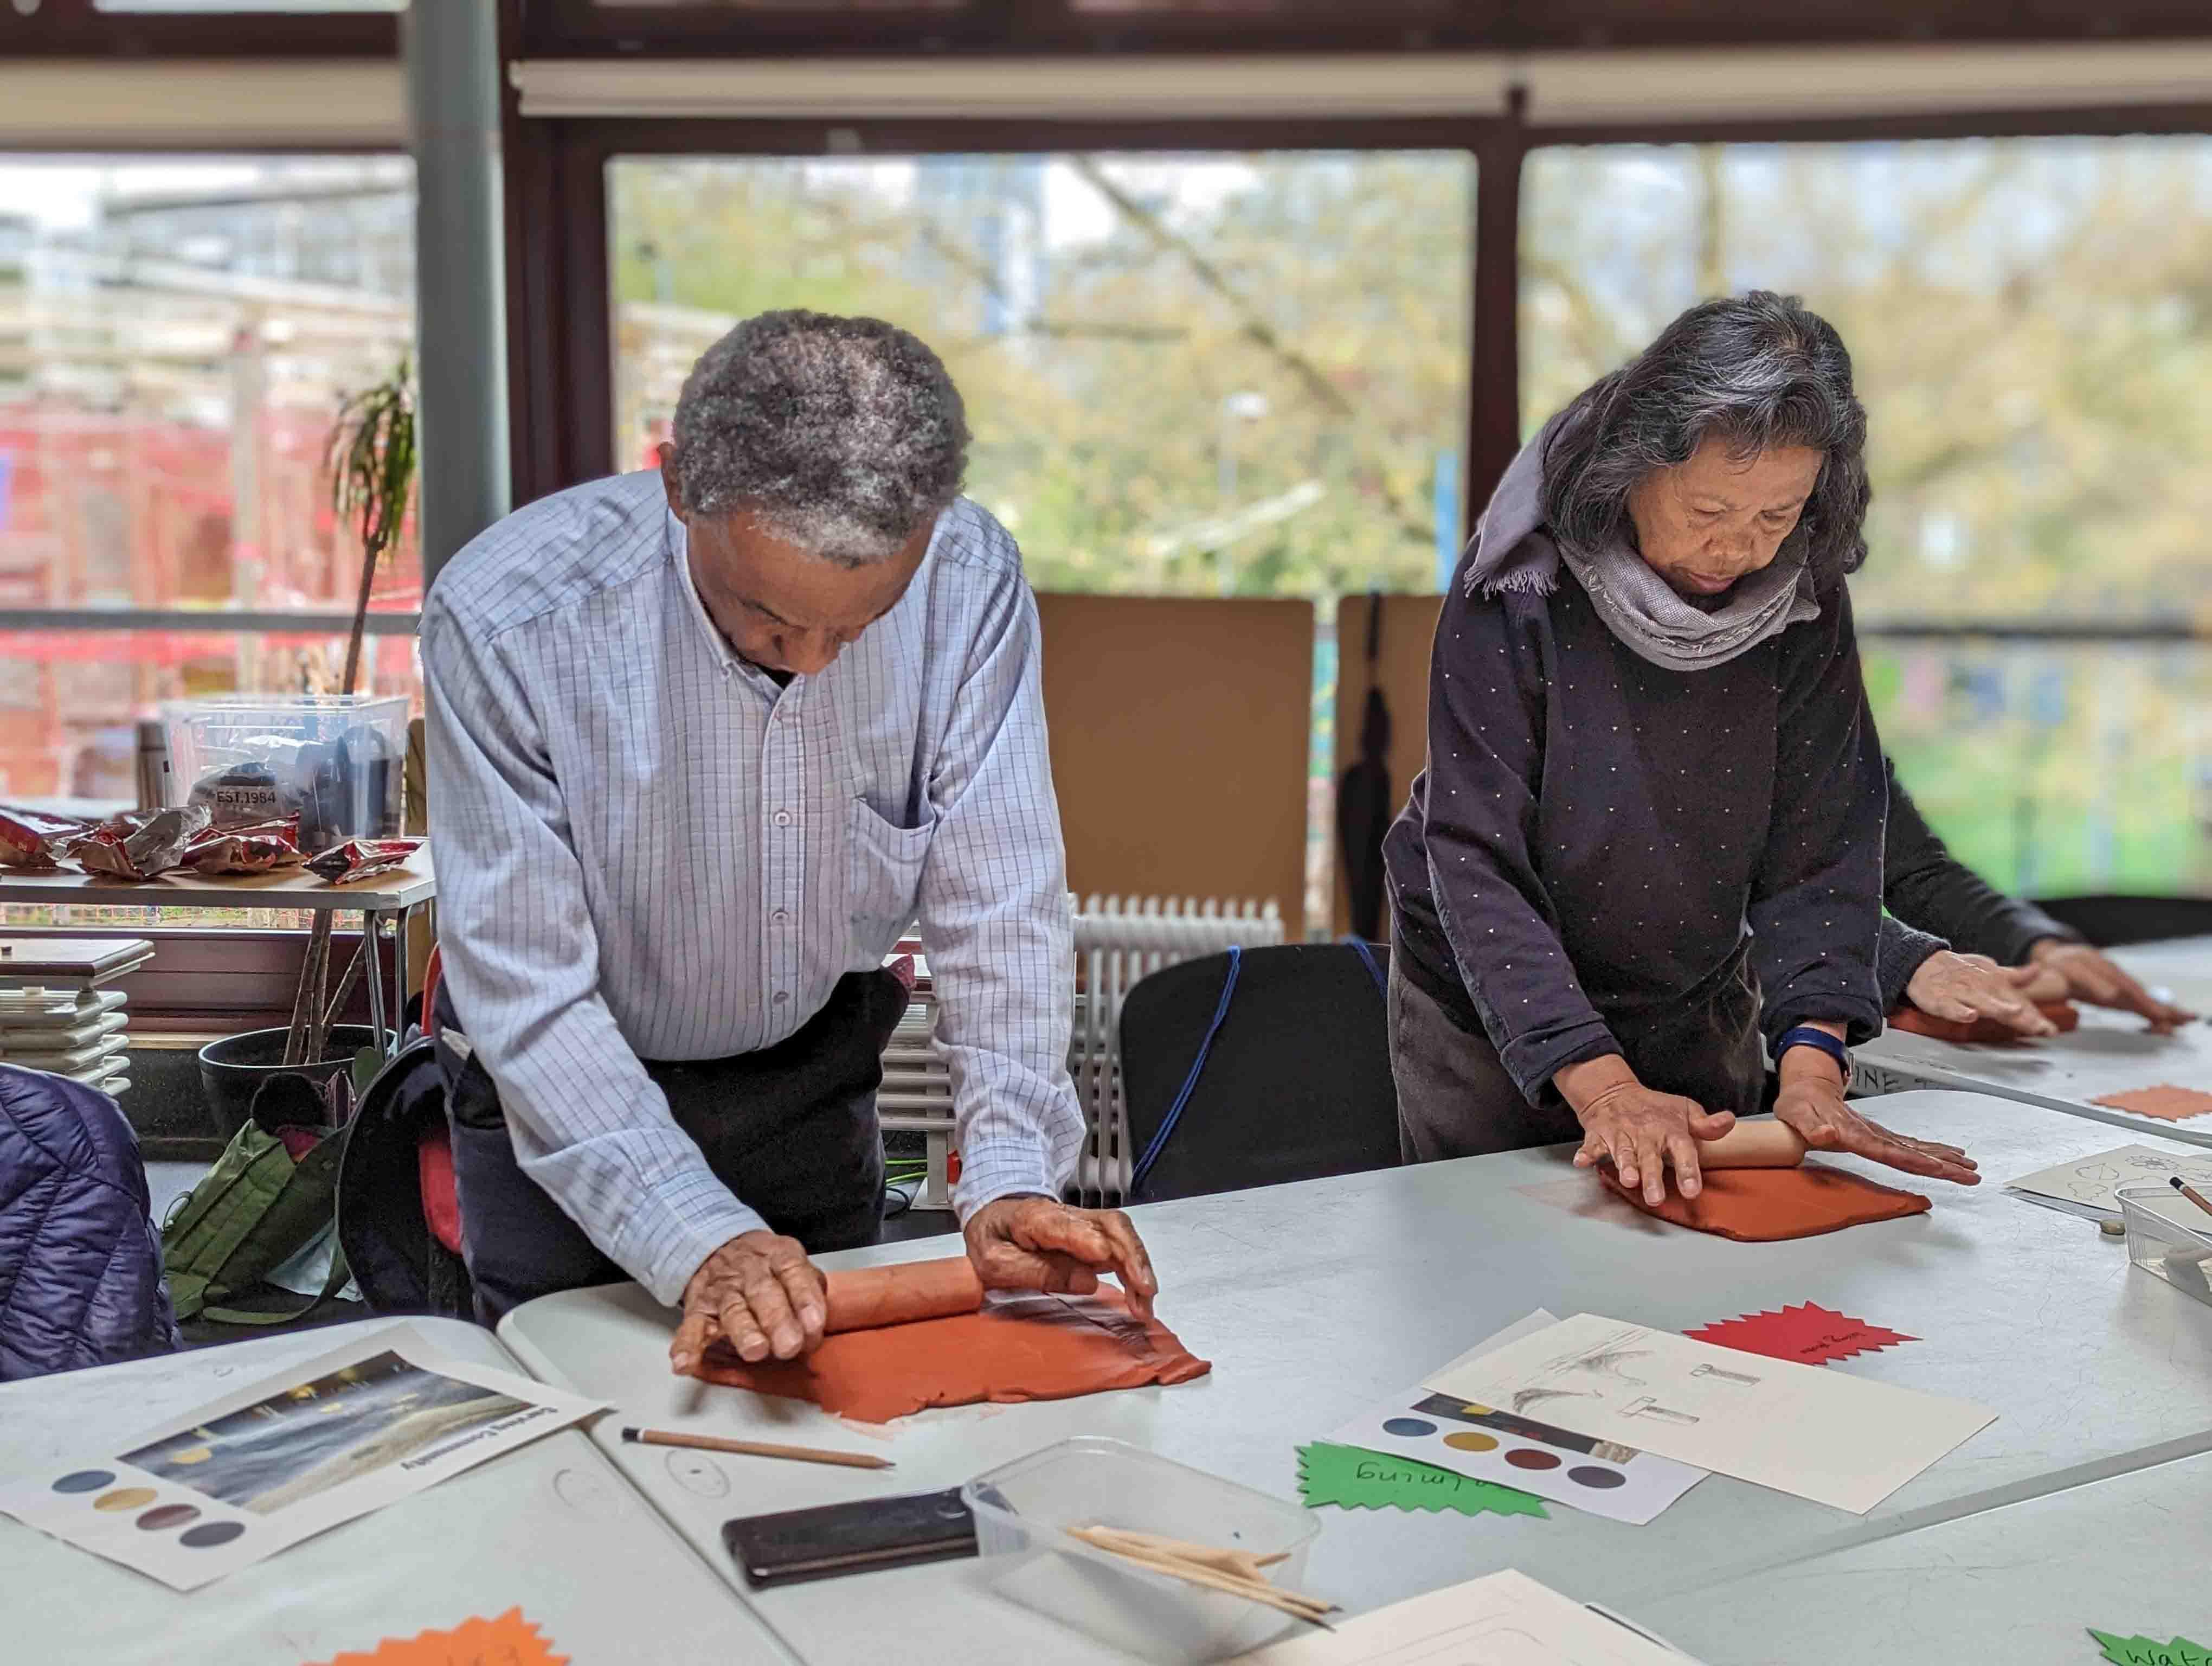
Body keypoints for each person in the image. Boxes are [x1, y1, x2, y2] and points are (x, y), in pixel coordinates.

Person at [425, 310, 1155, 1374]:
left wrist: (1007, 1175)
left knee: (827, 1405)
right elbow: (528, 988)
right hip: (566, 1085)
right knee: (582, 1427)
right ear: (679, 488)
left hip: (808, 1075)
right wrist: (698, 1234)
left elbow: (999, 902)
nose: (811, 662)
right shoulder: (508, 623)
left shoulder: (967, 583)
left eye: (857, 627)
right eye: (766, 616)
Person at [1384, 291, 1980, 1207]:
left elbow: (1822, 843)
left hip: (1689, 977)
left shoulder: (1802, 594)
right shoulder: (1520, 577)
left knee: (1692, 1279)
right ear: (1633, 468)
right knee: (1503, 1276)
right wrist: (1606, 1086)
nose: (1738, 546)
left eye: (1776, 516)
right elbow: (1474, 854)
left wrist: (1814, 1066)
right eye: (1711, 507)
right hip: (1495, 990)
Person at [1879, 759, 2196, 1035]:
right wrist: (1902, 957)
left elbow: (1920, 873)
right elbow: (1828, 908)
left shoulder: (1850, 724)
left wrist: (2036, 946)